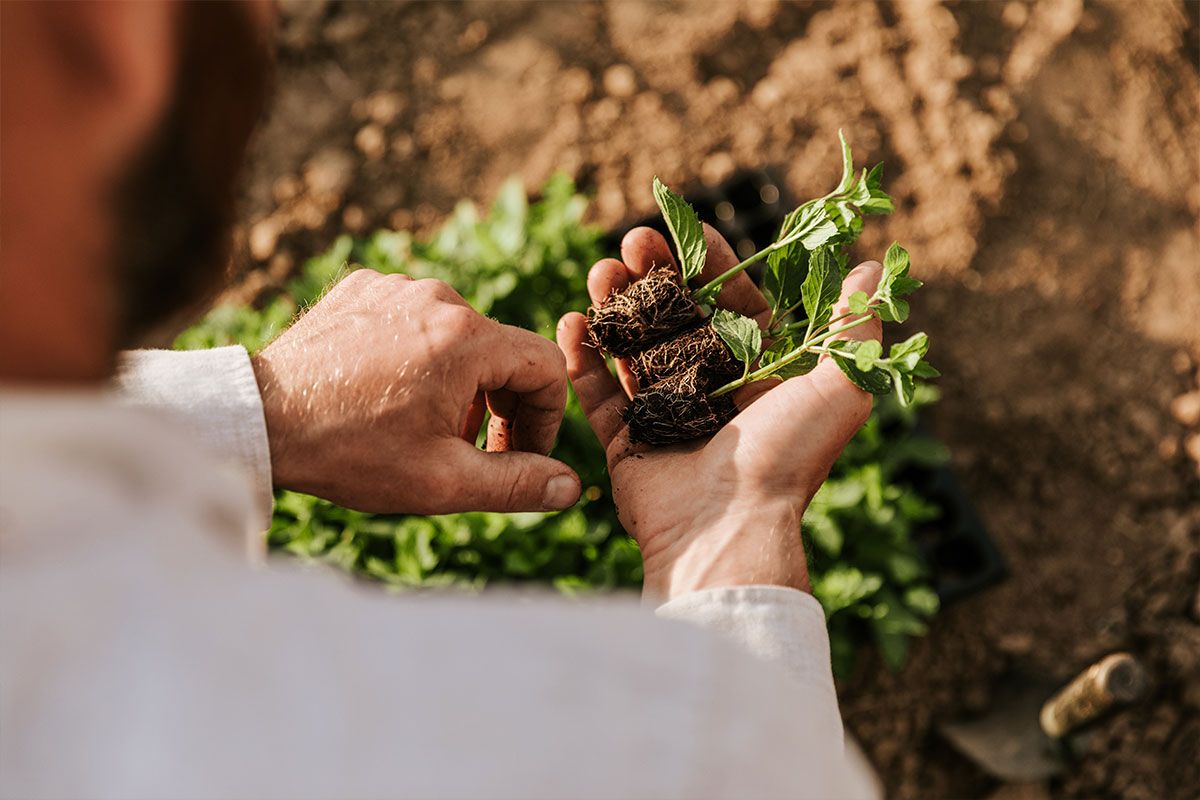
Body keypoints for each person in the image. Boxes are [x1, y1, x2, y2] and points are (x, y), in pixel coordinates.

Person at [0, 3, 884, 798]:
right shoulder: (644, 738)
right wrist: (729, 533)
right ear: (112, 39)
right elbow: (754, 763)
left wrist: (258, 411)